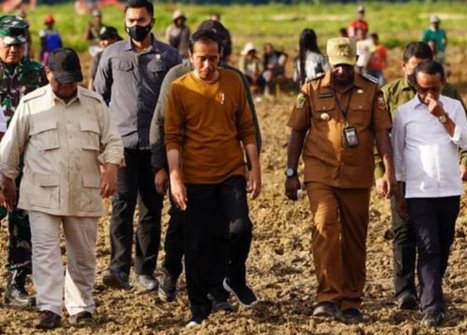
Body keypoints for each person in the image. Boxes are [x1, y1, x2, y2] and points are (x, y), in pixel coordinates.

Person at [0, 48, 124, 330]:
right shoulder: (31, 104)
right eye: (61, 81)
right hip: (42, 193)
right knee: (45, 253)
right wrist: (6, 181)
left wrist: (112, 168)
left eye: (73, 81)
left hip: (83, 191)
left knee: (83, 254)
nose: (67, 87)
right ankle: (49, 308)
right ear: (48, 74)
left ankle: (81, 307)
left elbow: (113, 141)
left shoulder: (94, 104)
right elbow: (10, 148)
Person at [150, 19, 262, 309]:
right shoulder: (176, 81)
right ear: (191, 54)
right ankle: (171, 273)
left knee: (230, 230)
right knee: (183, 231)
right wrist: (164, 169)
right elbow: (163, 127)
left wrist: (254, 164)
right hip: (189, 173)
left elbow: (248, 124)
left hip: (228, 172)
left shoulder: (234, 79)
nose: (209, 64)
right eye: (203, 57)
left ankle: (219, 289)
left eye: (215, 56)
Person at [285, 37, 395, 322]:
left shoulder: (372, 91)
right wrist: (290, 172)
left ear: (355, 62)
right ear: (328, 63)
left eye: (347, 65)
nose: (342, 71)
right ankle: (327, 297)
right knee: (325, 228)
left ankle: (350, 300)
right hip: (320, 173)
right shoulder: (311, 89)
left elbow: (382, 133)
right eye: (337, 66)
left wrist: (388, 172)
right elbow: (296, 132)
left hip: (357, 176)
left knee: (355, 240)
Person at [380, 41, 467, 310]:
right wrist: (392, 183)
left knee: (442, 245)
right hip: (415, 188)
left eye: (434, 89)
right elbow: (391, 147)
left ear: (443, 81)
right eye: (422, 89)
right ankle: (424, 302)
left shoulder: (453, 103)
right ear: (412, 79)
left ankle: (429, 287)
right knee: (418, 241)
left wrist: (443, 116)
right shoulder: (397, 104)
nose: (429, 95)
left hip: (448, 188)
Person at [94, 0, 180, 292]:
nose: (136, 25)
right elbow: (99, 99)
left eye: (141, 20)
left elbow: (177, 103)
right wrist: (102, 146)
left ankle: (144, 271)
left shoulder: (168, 56)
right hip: (121, 146)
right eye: (131, 20)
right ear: (124, 21)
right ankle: (118, 268)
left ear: (152, 21)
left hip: (156, 146)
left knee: (151, 209)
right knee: (121, 205)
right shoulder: (111, 54)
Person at [0, 15, 47, 309]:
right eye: (8, 44)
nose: (14, 50)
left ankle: (15, 285)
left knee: (22, 224)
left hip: (26, 162)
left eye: (19, 45)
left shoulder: (35, 72)